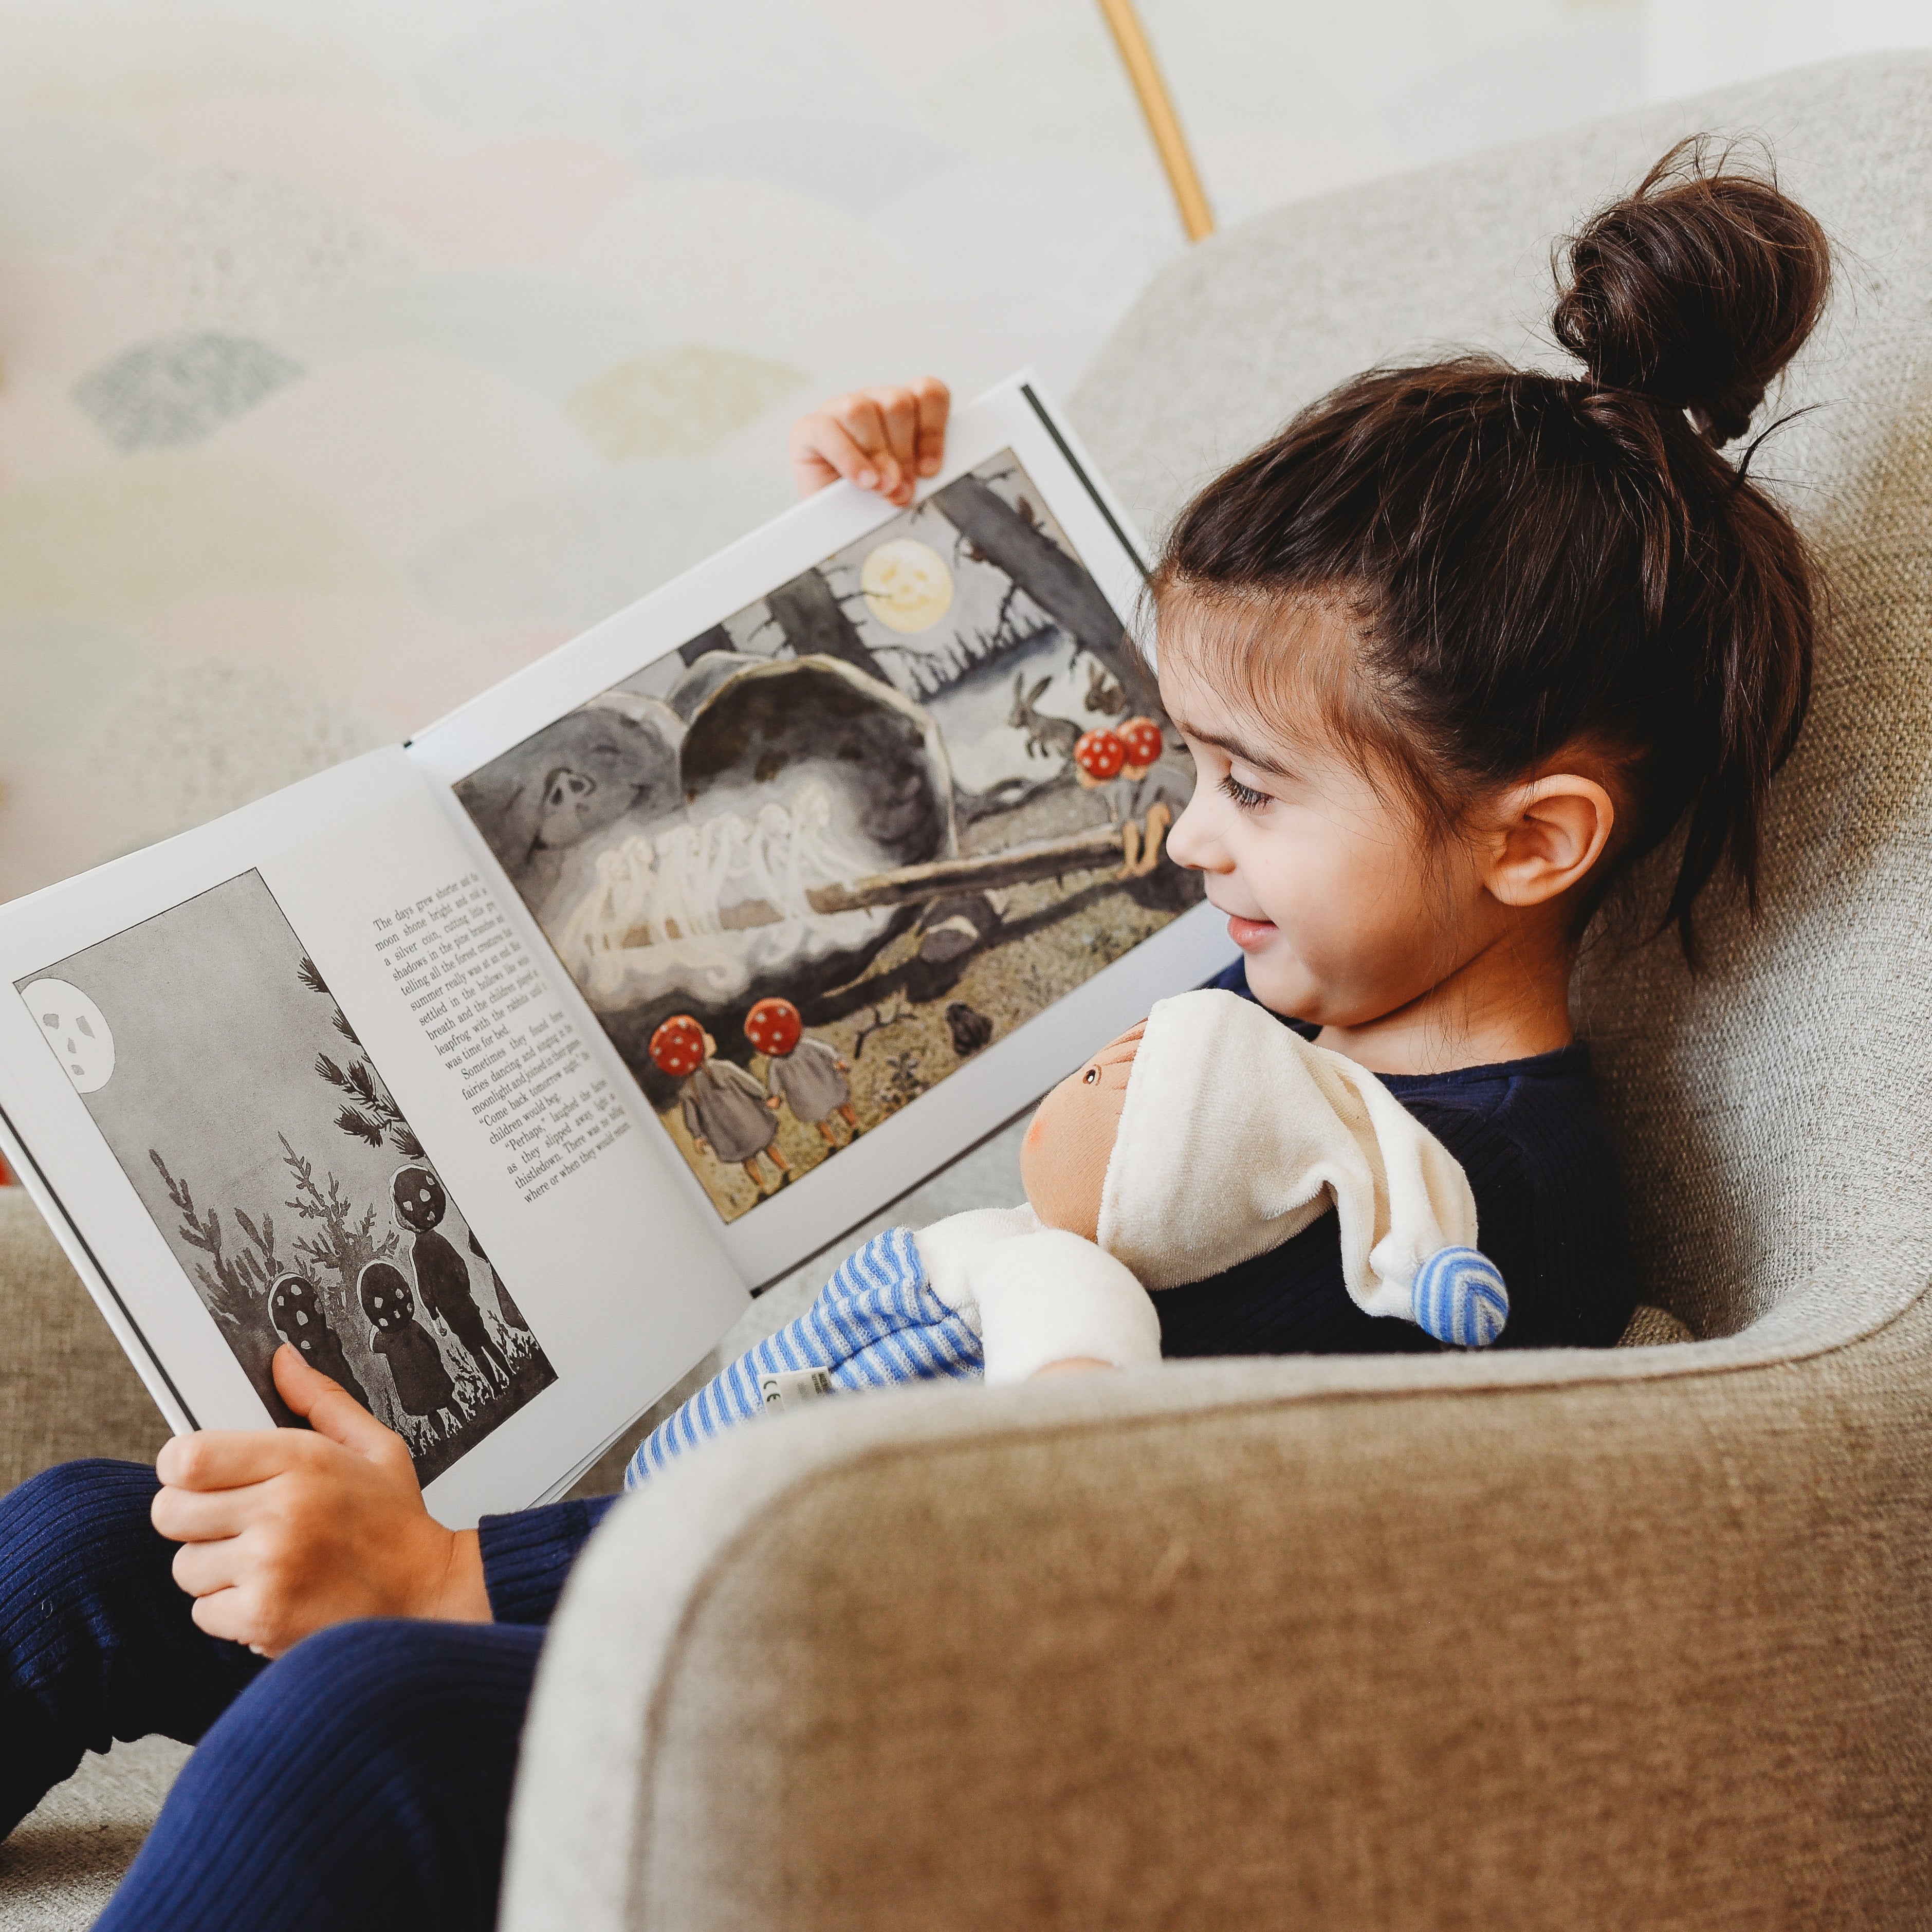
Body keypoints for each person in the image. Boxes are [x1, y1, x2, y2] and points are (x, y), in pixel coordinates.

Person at [0, 144, 1830, 1928]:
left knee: (361, 1729)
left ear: (1534, 839)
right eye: (1196, 767)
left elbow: (1020, 1551)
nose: (1193, 841)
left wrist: (457, 1582)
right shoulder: (1299, 977)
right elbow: (1022, 793)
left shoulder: (1477, 1231)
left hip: (867, 1685)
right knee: (99, 1538)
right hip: (687, 1569)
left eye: (1253, 793)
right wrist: (894, 530)